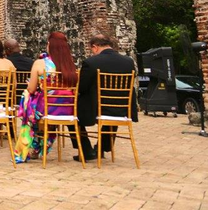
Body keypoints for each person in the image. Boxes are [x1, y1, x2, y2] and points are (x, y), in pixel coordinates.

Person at [70, 34, 137, 162]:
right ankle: (101, 148)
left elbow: (82, 87)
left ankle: (86, 150)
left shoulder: (91, 63)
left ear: (95, 47)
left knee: (70, 112)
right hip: (122, 109)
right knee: (112, 110)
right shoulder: (128, 62)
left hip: (96, 108)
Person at [13, 31, 77, 163]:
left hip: (47, 109)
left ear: (50, 46)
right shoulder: (70, 65)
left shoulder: (40, 63)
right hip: (67, 108)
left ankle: (28, 148)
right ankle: (40, 146)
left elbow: (31, 88)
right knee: (37, 105)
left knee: (28, 101)